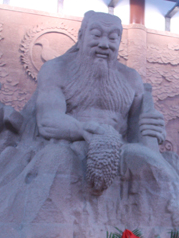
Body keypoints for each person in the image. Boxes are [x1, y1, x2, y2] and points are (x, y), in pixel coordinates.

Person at [35, 10, 165, 146]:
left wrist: (153, 129)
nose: (104, 44)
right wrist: (82, 130)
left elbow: (137, 130)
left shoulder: (131, 78)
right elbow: (48, 120)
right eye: (96, 35)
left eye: (113, 38)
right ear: (81, 37)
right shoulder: (57, 69)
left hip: (121, 149)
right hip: (69, 146)